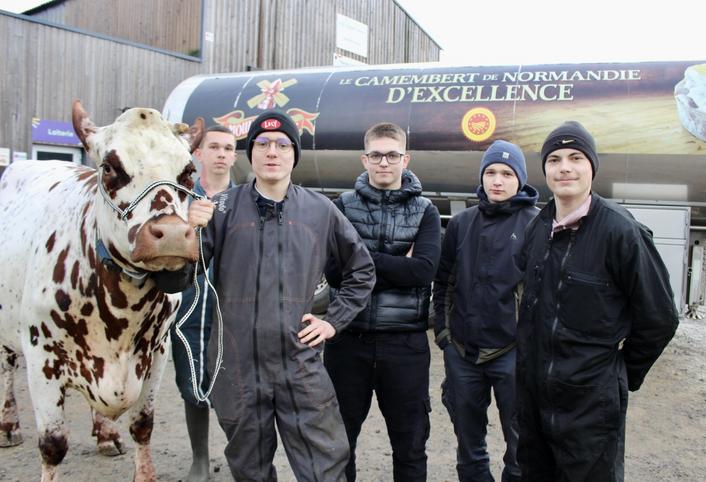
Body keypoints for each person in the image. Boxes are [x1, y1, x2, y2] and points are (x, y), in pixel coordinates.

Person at [184, 109, 376, 481]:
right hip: (237, 366)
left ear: (294, 154)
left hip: (299, 363)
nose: (272, 151)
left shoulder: (320, 210)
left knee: (326, 463)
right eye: (262, 143)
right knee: (248, 468)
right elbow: (181, 278)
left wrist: (332, 322)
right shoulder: (220, 211)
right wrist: (188, 234)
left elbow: (361, 270)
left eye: (282, 144)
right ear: (251, 153)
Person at [515, 121, 679, 481]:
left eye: (576, 157)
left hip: (590, 407)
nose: (565, 168)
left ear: (592, 166)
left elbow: (660, 318)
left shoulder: (621, 232)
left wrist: (617, 373)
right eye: (555, 159)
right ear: (544, 169)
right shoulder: (538, 227)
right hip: (533, 400)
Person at [323, 122, 441, 481]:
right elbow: (334, 273)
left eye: (392, 155)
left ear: (405, 159)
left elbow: (422, 271)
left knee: (410, 445)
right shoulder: (341, 207)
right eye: (376, 155)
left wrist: (359, 256)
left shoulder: (426, 211)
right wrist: (396, 262)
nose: (384, 162)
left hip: (404, 345)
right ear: (364, 158)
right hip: (348, 340)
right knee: (339, 444)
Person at [432, 140, 537, 482]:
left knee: (521, 446)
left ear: (520, 179)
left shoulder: (536, 225)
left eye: (507, 173)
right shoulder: (462, 223)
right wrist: (445, 335)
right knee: (469, 446)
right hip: (463, 353)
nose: (497, 180)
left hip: (512, 354)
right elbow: (443, 281)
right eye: (490, 172)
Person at [169, 125, 236, 482]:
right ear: (200, 153)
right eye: (215, 147)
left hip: (231, 310)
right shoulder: (180, 198)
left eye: (228, 148)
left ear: (236, 156)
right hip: (189, 306)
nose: (222, 154)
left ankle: (239, 455)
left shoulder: (244, 201)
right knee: (191, 383)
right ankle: (200, 460)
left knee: (231, 386)